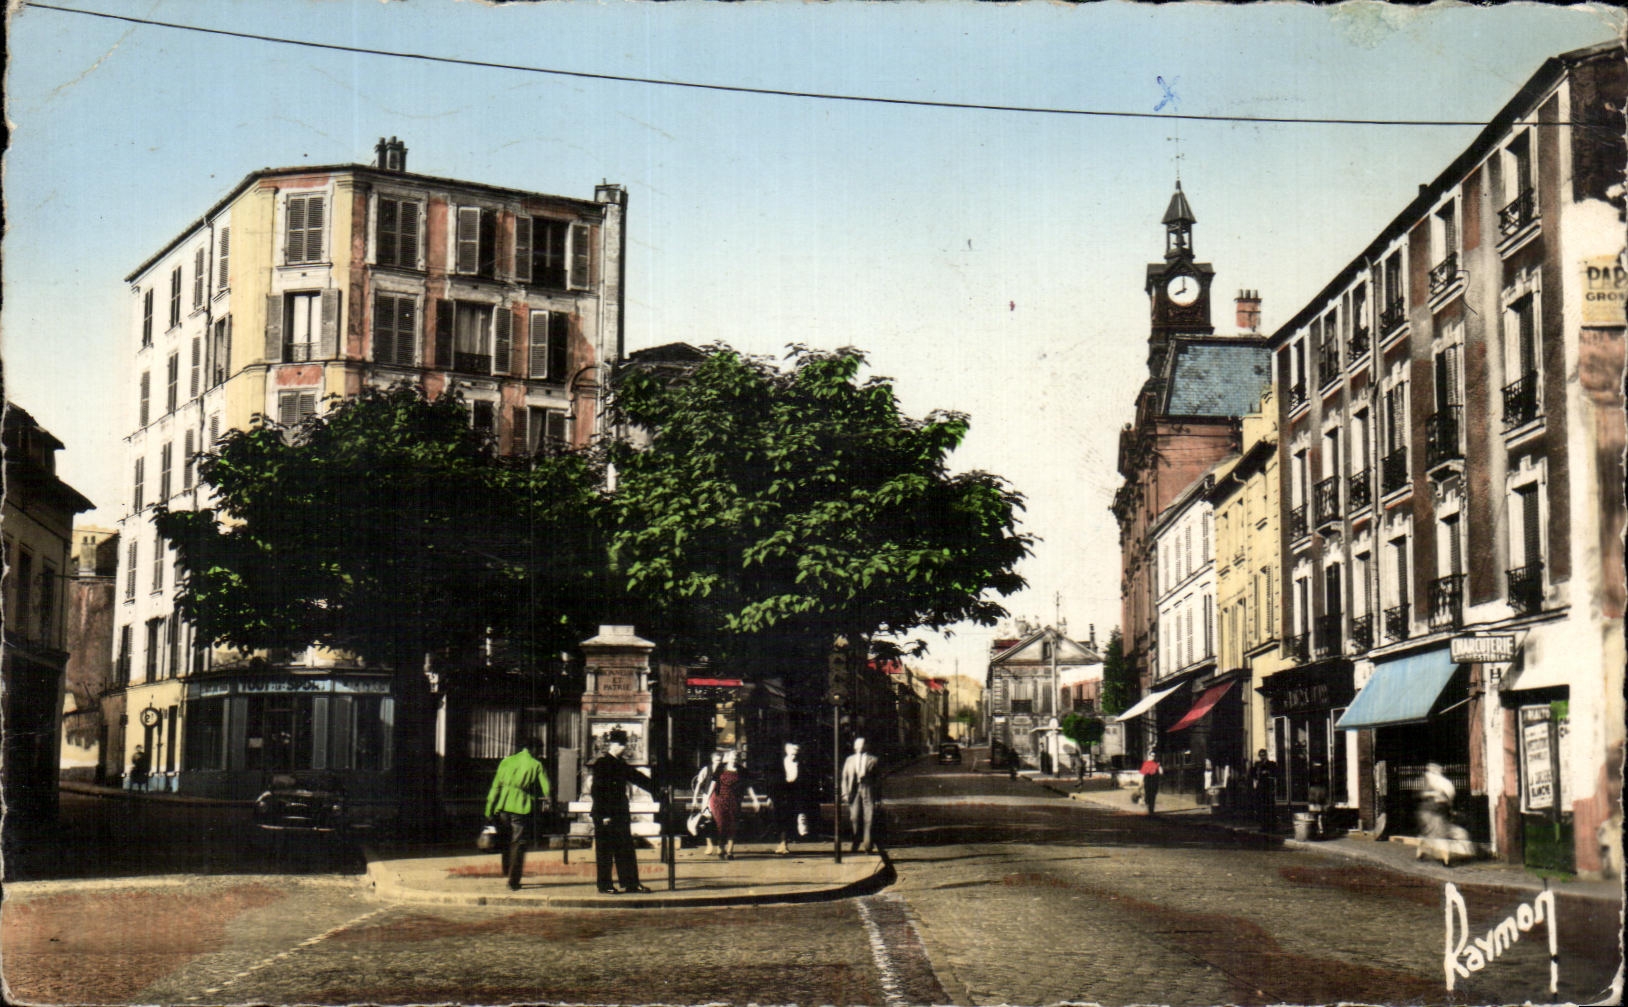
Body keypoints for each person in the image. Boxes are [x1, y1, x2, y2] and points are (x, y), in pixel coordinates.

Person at [589, 729, 656, 894]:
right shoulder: (602, 764)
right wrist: (604, 815)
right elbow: (597, 790)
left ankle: (631, 883)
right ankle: (604, 885)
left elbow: (638, 778)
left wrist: (658, 787)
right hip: (605, 814)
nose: (624, 748)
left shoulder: (620, 764)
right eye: (622, 745)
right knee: (605, 851)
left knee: (625, 849)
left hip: (620, 813)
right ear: (613, 745)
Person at [484, 738, 552, 891]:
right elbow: (546, 787)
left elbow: (495, 786)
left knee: (507, 839)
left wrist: (489, 808)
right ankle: (513, 881)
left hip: (502, 805)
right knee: (518, 843)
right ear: (534, 749)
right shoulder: (536, 765)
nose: (540, 754)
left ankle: (506, 870)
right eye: (540, 750)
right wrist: (549, 800)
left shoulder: (507, 761)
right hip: (521, 807)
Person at [705, 749, 759, 860]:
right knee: (720, 824)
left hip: (734, 800)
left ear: (738, 759)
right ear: (728, 757)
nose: (734, 759)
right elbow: (713, 783)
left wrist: (755, 799)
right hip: (718, 799)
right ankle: (721, 847)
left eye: (736, 758)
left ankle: (730, 851)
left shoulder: (742, 770)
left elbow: (748, 786)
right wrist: (707, 799)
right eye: (732, 757)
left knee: (733, 824)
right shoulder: (721, 767)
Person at [840, 736, 880, 853]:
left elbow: (878, 780)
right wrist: (844, 793)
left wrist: (877, 797)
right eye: (858, 745)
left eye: (863, 744)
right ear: (855, 746)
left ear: (866, 746)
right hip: (854, 790)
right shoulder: (849, 760)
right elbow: (844, 778)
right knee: (854, 817)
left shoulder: (873, 760)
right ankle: (856, 840)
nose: (860, 747)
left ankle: (868, 845)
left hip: (868, 789)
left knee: (869, 817)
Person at [770, 741, 809, 855]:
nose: (794, 755)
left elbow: (805, 780)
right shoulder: (780, 764)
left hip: (794, 794)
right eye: (792, 753)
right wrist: (770, 796)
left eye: (796, 753)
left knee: (789, 819)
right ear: (787, 751)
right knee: (779, 819)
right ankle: (782, 843)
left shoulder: (801, 764)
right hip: (780, 794)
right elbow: (773, 781)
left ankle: (784, 844)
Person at [689, 751, 724, 855]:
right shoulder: (706, 769)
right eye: (717, 760)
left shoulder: (724, 770)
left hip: (720, 798)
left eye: (720, 760)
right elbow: (699, 784)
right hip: (707, 798)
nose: (719, 762)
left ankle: (720, 846)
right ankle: (709, 844)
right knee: (706, 821)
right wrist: (694, 798)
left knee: (720, 822)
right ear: (713, 760)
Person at [1249, 748, 1278, 833]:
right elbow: (1253, 775)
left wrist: (1267, 772)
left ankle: (1272, 826)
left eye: (1264, 755)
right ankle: (1263, 826)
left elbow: (1275, 773)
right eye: (1261, 755)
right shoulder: (1257, 764)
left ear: (1266, 755)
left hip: (1268, 788)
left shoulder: (1271, 764)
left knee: (1269, 807)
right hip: (1260, 788)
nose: (1262, 757)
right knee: (1261, 808)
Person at [1139, 749, 1163, 814]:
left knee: (1153, 795)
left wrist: (1159, 766)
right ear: (1149, 756)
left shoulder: (1156, 764)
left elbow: (1161, 773)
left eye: (1154, 756)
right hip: (1148, 781)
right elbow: (1142, 774)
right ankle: (1148, 806)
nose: (1153, 757)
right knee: (1148, 795)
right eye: (1152, 755)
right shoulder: (1146, 763)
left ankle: (1151, 810)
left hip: (1154, 781)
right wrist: (1140, 783)